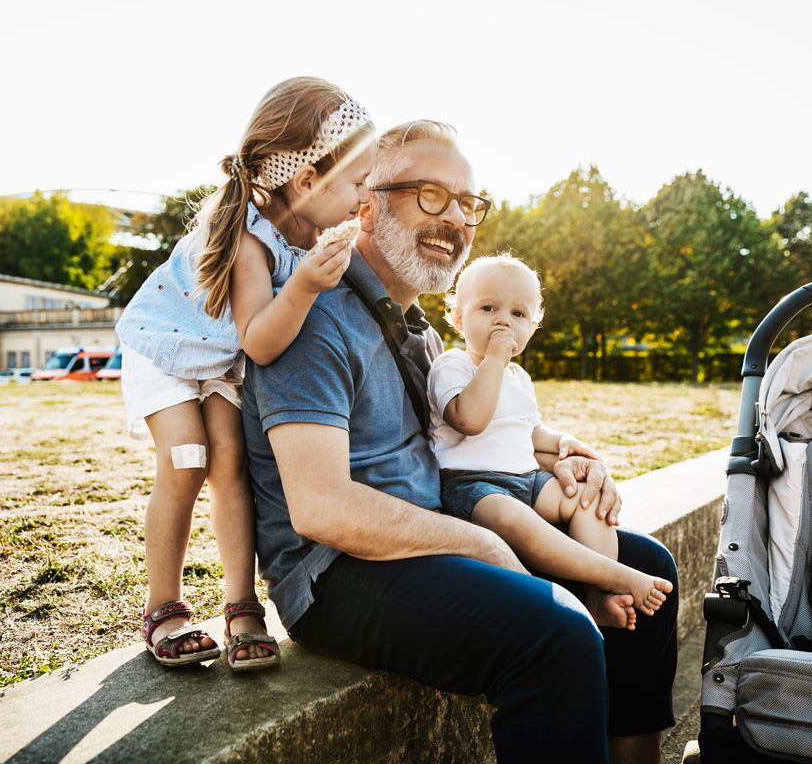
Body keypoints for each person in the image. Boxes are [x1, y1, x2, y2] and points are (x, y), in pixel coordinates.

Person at [242, 120, 677, 763]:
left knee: (652, 569)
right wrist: (483, 540)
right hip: (337, 573)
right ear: (366, 202)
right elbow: (321, 508)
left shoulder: (420, 334)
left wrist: (572, 460)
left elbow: (473, 438)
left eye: (468, 203)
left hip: (426, 531)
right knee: (557, 633)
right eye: (429, 194)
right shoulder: (311, 317)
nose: (455, 219)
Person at [115, 76, 376, 671]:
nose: (366, 198)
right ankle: (165, 608)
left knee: (230, 459)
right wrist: (307, 285)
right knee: (187, 459)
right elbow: (260, 340)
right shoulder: (249, 237)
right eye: (359, 183)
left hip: (218, 356)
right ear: (306, 180)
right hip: (169, 345)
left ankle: (240, 604)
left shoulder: (307, 229)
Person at [430, 254, 672, 631]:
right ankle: (616, 575)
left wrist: (564, 441)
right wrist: (492, 361)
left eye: (518, 314)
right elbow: (470, 420)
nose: (503, 320)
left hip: (527, 479)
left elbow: (531, 431)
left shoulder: (519, 377)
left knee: (585, 501)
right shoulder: (453, 365)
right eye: (488, 308)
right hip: (472, 486)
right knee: (515, 520)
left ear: (533, 326)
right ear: (458, 317)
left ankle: (597, 594)